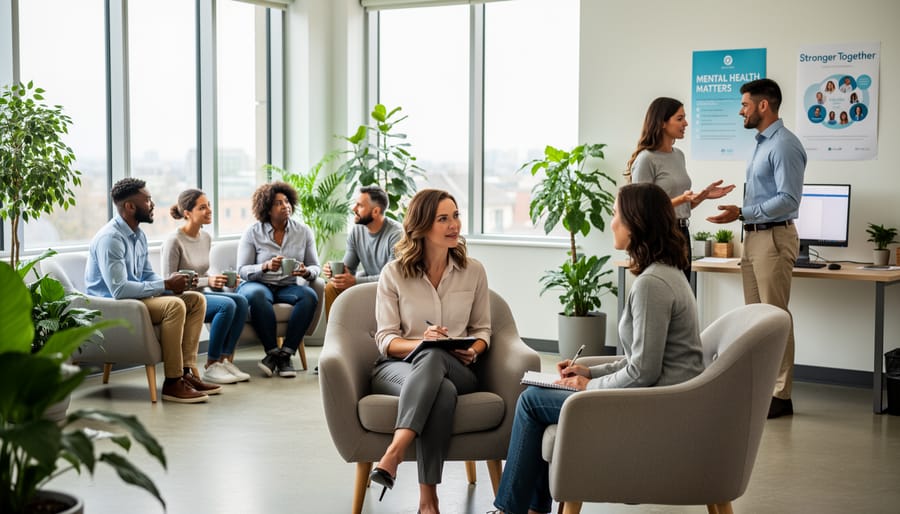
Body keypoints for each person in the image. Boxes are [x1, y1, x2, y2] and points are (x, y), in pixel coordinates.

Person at [492, 182, 705, 514]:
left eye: (616, 214)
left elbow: (643, 371)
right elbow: (641, 357)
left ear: (636, 223)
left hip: (654, 407)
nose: (611, 222)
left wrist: (590, 386)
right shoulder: (666, 273)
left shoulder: (652, 284)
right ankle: (529, 510)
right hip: (660, 397)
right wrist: (589, 371)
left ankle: (512, 510)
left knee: (531, 401)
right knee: (539, 394)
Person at [368, 189, 490, 514]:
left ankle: (393, 454)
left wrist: (474, 351)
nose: (454, 225)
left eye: (456, 216)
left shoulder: (473, 270)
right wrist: (423, 342)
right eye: (443, 218)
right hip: (397, 366)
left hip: (459, 367)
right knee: (441, 386)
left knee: (438, 358)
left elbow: (483, 331)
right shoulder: (393, 273)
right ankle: (428, 501)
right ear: (421, 226)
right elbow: (386, 339)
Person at [707, 78, 807, 419]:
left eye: (745, 104)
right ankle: (762, 388)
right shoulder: (762, 143)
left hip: (773, 238)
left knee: (776, 318)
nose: (741, 111)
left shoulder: (784, 145)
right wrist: (742, 215)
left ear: (764, 106)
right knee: (755, 320)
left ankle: (781, 395)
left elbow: (789, 199)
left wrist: (743, 212)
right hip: (754, 237)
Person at [85, 178, 220, 403]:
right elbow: (119, 289)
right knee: (174, 306)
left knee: (195, 300)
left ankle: (186, 373)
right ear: (130, 206)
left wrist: (174, 283)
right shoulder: (111, 239)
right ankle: (172, 382)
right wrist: (166, 286)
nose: (152, 204)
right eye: (147, 200)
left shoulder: (137, 234)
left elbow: (146, 275)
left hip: (135, 301)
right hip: (115, 307)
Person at [626, 97, 735, 278]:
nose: (685, 123)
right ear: (662, 122)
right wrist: (682, 198)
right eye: (679, 118)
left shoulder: (678, 156)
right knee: (665, 294)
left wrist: (702, 196)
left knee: (683, 294)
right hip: (659, 237)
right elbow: (640, 209)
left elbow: (681, 207)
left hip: (682, 233)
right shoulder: (646, 159)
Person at [162, 189, 251, 385]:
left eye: (209, 205)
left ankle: (224, 360)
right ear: (187, 213)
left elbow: (201, 273)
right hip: (181, 300)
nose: (209, 210)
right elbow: (168, 283)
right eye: (202, 207)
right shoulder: (174, 241)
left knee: (241, 301)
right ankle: (211, 365)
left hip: (201, 295)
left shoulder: (205, 237)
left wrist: (216, 279)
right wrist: (207, 282)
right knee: (226, 306)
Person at [236, 181, 320, 378]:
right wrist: (264, 266)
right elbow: (242, 270)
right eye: (278, 203)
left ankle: (285, 354)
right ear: (267, 208)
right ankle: (273, 351)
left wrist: (306, 272)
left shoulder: (303, 231)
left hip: (287, 286)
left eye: (287, 201)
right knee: (257, 295)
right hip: (258, 284)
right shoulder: (253, 232)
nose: (286, 206)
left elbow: (315, 265)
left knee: (308, 296)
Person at [322, 186, 402, 320]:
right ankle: (336, 336)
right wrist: (333, 270)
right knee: (331, 287)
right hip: (368, 285)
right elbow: (349, 269)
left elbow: (392, 277)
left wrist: (355, 281)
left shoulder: (396, 234)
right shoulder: (357, 231)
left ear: (376, 211)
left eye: (359, 206)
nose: (353, 209)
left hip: (392, 289)